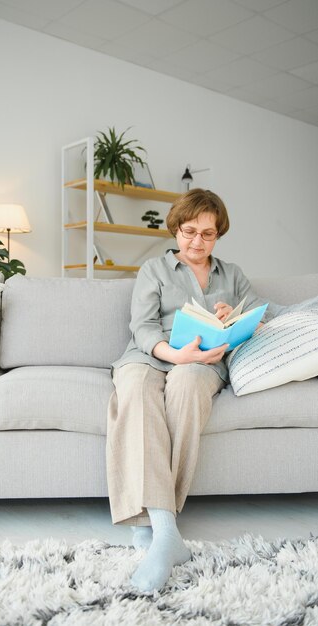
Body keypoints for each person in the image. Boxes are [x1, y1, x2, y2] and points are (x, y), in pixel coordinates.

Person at [106, 188, 316, 594]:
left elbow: (262, 313)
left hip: (204, 362)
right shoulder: (154, 270)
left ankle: (159, 530)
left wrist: (232, 314)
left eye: (208, 234)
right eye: (189, 232)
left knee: (186, 388)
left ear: (218, 234)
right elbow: (143, 327)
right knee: (135, 391)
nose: (197, 242)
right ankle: (165, 530)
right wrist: (174, 354)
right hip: (153, 354)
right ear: (176, 229)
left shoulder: (232, 274)